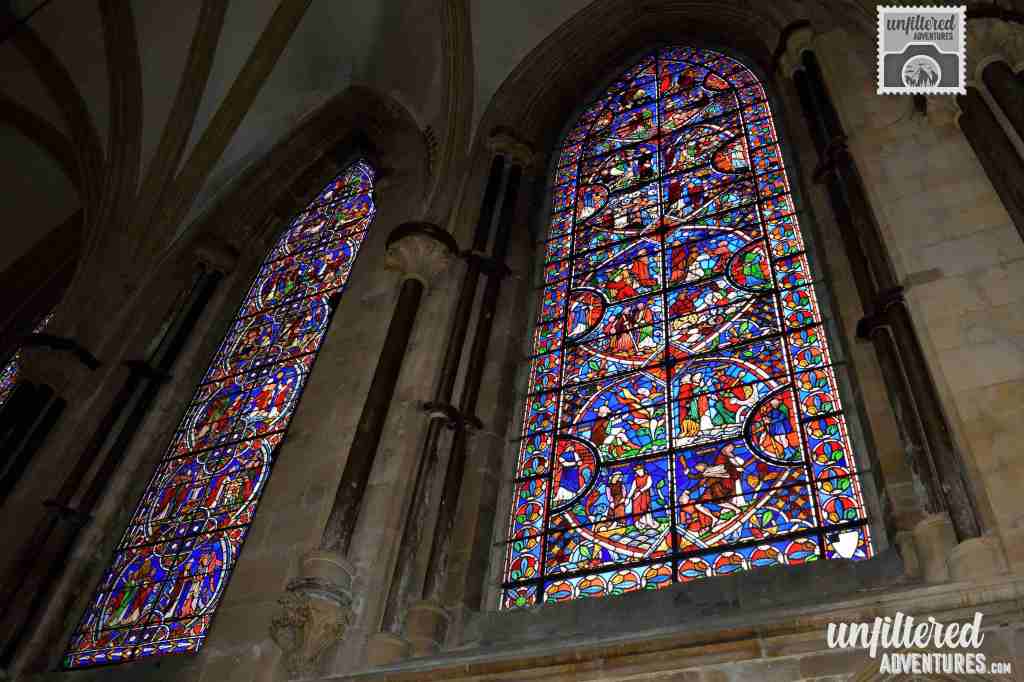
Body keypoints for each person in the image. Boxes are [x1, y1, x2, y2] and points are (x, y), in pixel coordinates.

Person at [628, 464, 656, 530]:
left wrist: (640, 491)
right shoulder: (635, 480)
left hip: (645, 495)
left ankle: (649, 522)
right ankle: (641, 523)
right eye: (637, 471)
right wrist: (628, 497)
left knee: (646, 508)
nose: (638, 472)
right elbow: (632, 489)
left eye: (640, 470)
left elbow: (648, 485)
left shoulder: (648, 477)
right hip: (637, 497)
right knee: (637, 509)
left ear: (643, 470)